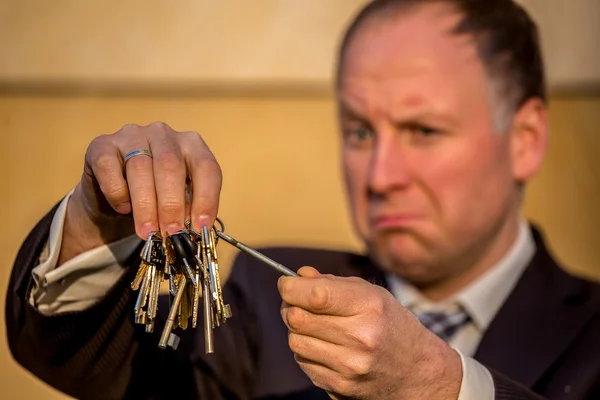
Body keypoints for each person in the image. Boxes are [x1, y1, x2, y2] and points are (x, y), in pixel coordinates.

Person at [6, 0, 600, 399]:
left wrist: (440, 385)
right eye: (359, 132)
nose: (380, 175)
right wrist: (96, 216)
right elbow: (71, 350)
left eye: (424, 131)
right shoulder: (263, 304)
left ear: (524, 140)